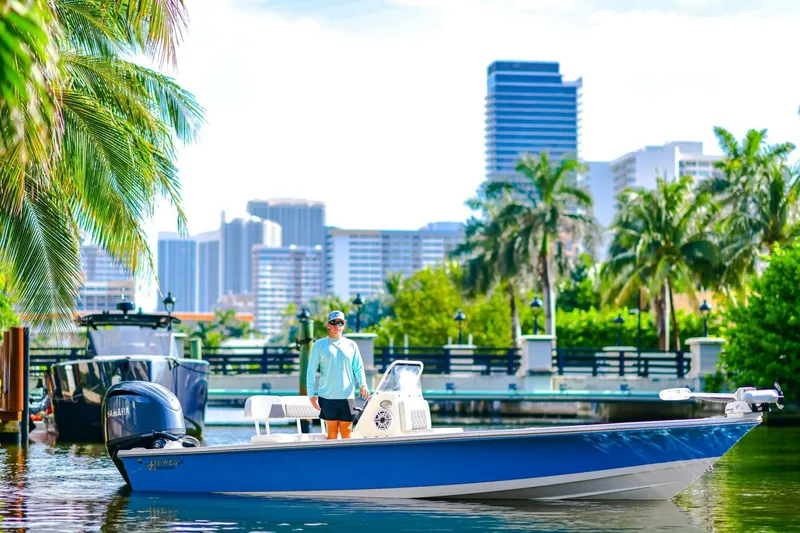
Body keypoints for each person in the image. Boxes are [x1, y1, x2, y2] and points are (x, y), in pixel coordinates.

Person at [307, 310, 370, 439]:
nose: (337, 325)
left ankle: (348, 454)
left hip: (347, 396)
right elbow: (311, 370)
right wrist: (311, 394)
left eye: (340, 323)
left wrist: (363, 384)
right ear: (328, 325)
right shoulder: (319, 345)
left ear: (344, 325)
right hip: (327, 397)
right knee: (332, 434)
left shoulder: (351, 345)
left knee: (347, 434)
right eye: (333, 322)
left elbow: (358, 368)